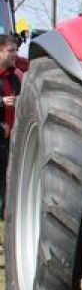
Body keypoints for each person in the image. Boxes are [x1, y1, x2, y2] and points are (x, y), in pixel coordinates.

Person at [0, 33, 21, 217]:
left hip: (9, 141)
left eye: (16, 49)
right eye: (11, 50)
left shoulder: (14, 78)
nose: (15, 54)